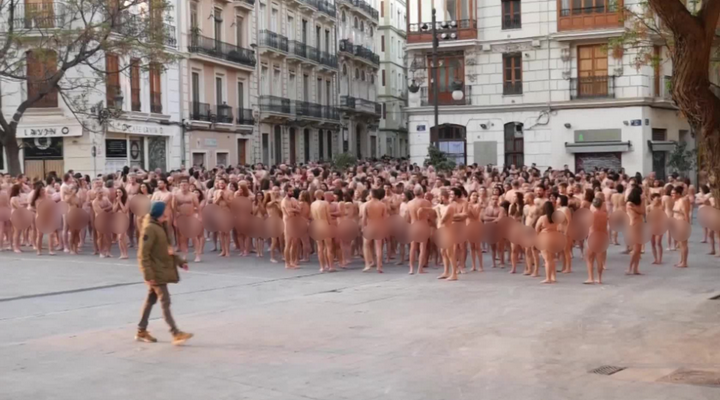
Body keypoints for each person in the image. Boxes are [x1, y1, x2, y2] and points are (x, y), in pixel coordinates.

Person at [136, 201, 193, 345]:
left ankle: (141, 330)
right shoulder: (150, 229)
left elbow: (168, 250)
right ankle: (175, 333)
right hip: (156, 273)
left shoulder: (161, 227)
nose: (168, 212)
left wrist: (180, 262)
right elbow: (143, 254)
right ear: (160, 213)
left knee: (151, 300)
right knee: (165, 301)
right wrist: (148, 275)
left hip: (160, 270)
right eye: (165, 210)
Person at [586, 196, 607, 284]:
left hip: (593, 237)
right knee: (600, 258)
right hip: (602, 237)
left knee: (590, 258)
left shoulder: (591, 215)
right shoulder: (605, 215)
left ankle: (591, 278)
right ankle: (599, 278)